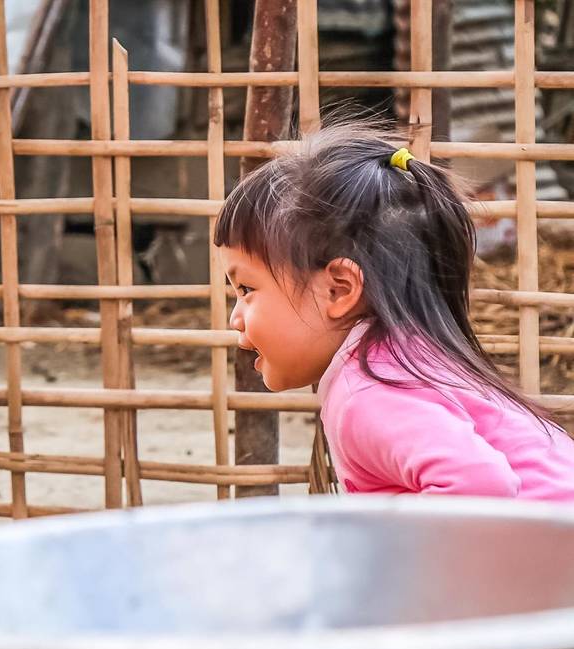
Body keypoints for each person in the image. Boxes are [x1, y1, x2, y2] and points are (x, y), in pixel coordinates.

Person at [215, 122, 574, 498]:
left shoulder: (370, 391)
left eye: (246, 289)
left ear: (339, 289)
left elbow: (482, 487)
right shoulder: (407, 359)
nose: (234, 318)